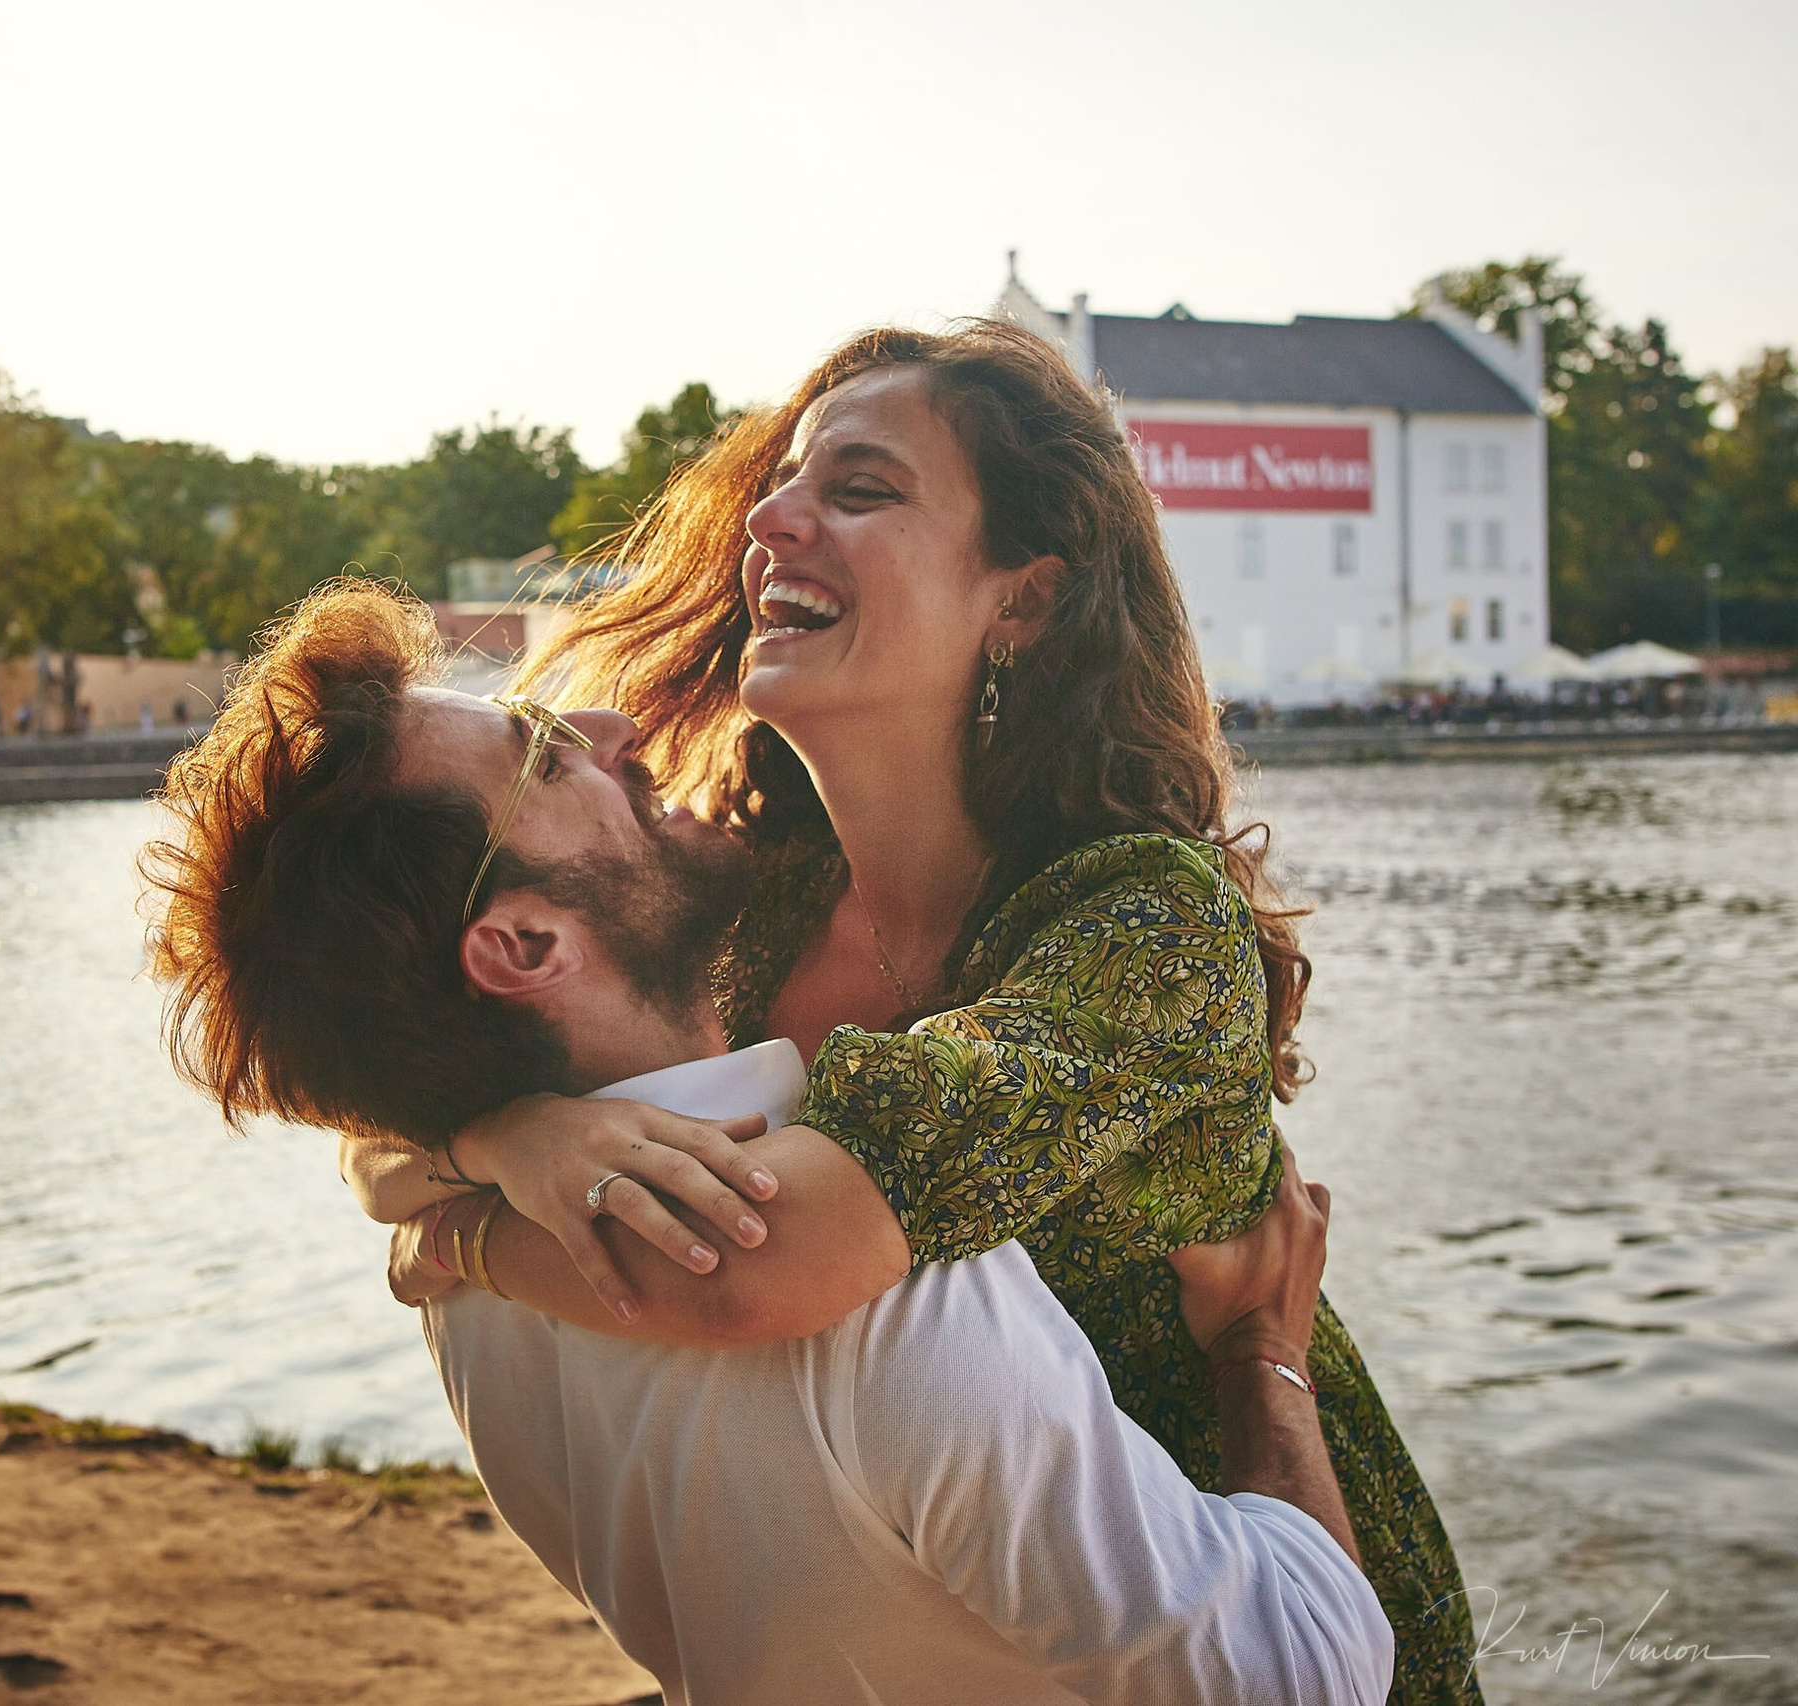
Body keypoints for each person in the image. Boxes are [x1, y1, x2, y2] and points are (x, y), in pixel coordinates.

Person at [338, 324, 1477, 1705]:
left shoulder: (1139, 922)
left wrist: (462, 1230)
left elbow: (768, 1257)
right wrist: (516, 1140)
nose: (768, 517)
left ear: (1025, 600)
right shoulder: (748, 909)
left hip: (1286, 1602)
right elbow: (384, 1101)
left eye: (862, 489)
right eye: (786, 484)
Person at [142, 581, 1393, 1705]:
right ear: (524, 946)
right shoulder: (855, 1265)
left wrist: (493, 1139)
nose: (612, 729)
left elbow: (382, 1156)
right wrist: (1260, 1357)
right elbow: (1304, 1673)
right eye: (544, 754)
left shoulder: (460, 1271)